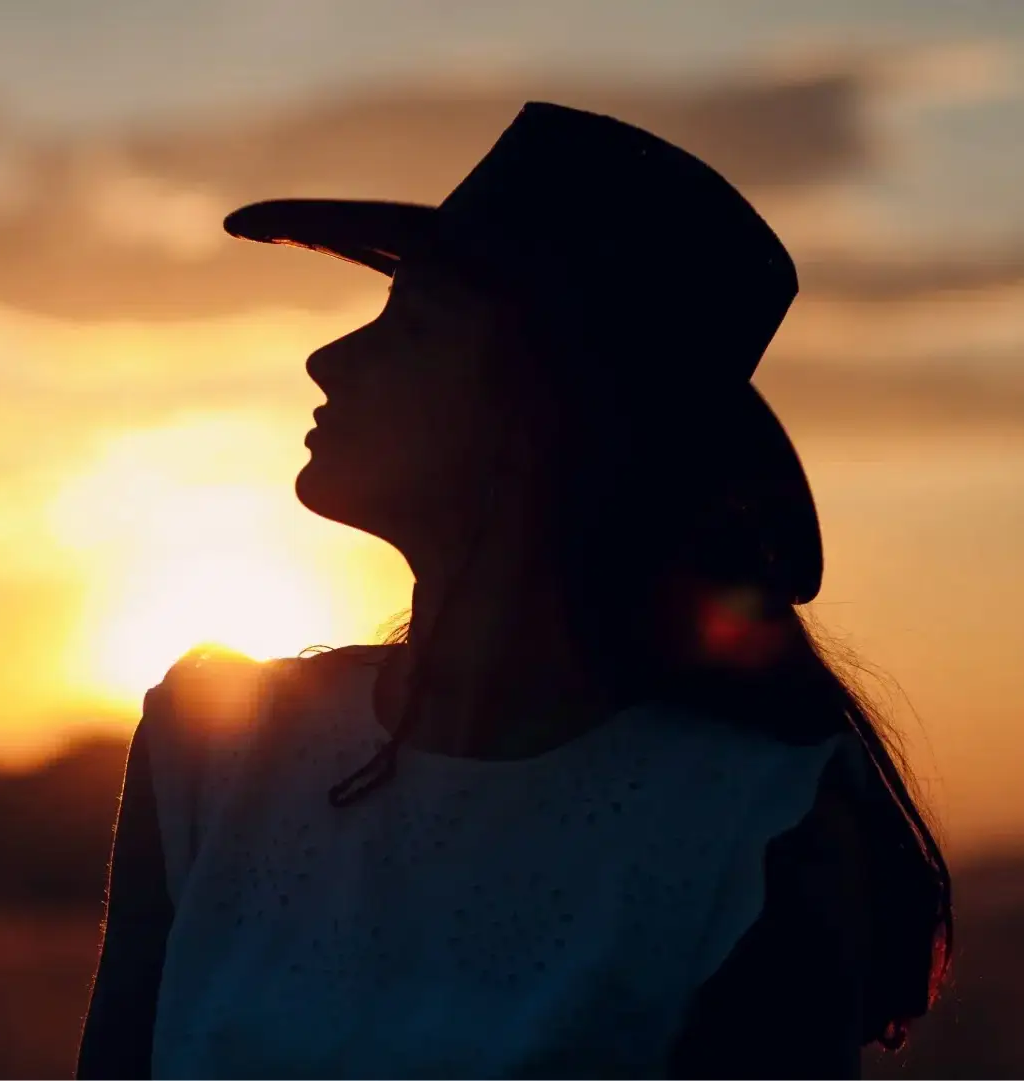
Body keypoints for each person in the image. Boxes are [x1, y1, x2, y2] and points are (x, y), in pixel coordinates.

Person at [76, 102, 952, 1079]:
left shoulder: (750, 828)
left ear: (539, 403)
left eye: (410, 328)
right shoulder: (211, 747)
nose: (331, 359)